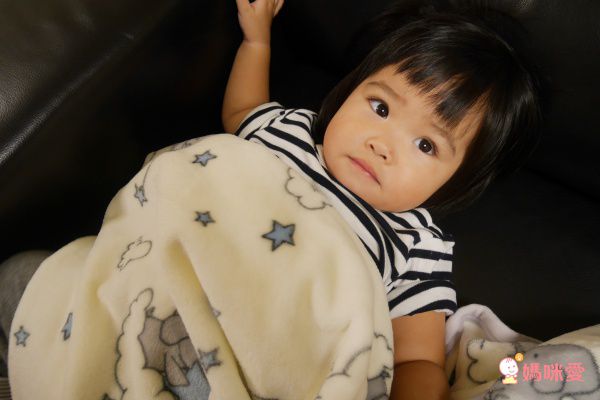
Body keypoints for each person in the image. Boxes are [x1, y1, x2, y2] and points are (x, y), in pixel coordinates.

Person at [222, 0, 542, 399]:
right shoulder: (293, 130)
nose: (381, 144)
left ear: (457, 182)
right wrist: (257, 43)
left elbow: (417, 361)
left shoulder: (416, 243)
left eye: (425, 145)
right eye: (381, 107)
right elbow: (242, 111)